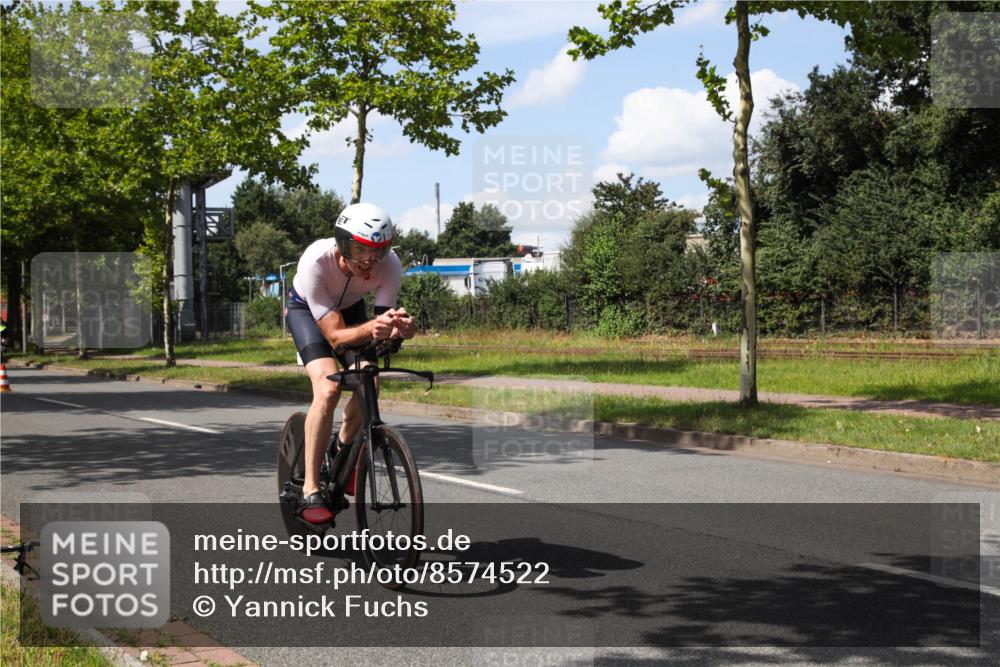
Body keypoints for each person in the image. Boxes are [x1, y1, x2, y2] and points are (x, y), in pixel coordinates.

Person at [286, 202, 415, 523]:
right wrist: (372, 328)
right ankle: (311, 489)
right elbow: (335, 338)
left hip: (351, 308)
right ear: (343, 244)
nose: (370, 261)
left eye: (379, 251)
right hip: (308, 313)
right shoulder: (316, 261)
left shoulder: (391, 265)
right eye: (360, 250)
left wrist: (398, 332)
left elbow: (379, 331)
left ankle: (343, 451)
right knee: (328, 390)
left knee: (369, 381)